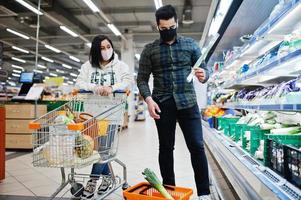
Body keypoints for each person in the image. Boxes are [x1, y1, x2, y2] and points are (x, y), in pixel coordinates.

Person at [137, 5, 210, 200]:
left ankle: (204, 193)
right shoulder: (149, 50)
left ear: (176, 23)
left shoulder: (190, 45)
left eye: (172, 27)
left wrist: (203, 75)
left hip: (188, 102)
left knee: (197, 146)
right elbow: (142, 79)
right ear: (158, 27)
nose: (168, 31)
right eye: (164, 28)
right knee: (166, 148)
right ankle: (169, 191)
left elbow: (204, 70)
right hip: (163, 103)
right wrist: (149, 99)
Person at [76, 35, 132, 199]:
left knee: (104, 149)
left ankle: (92, 181)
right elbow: (79, 83)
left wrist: (112, 88)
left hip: (112, 113)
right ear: (95, 50)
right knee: (98, 150)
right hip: (92, 115)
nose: (106, 50)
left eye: (108, 46)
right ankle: (107, 179)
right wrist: (95, 87)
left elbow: (128, 81)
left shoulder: (121, 66)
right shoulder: (87, 66)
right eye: (102, 48)